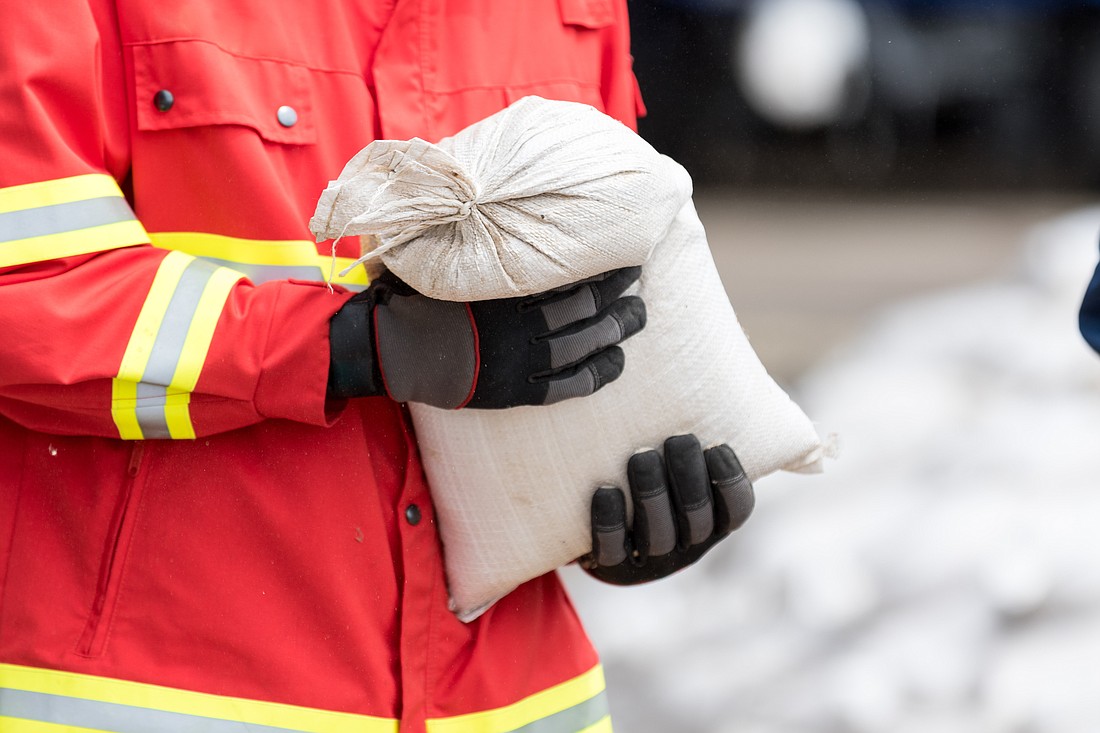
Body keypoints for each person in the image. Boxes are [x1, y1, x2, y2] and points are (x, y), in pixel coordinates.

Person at [0, 2, 753, 731]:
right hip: (168, 682)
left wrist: (602, 492)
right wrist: (349, 346)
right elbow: (26, 293)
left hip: (513, 696)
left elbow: (609, 268)